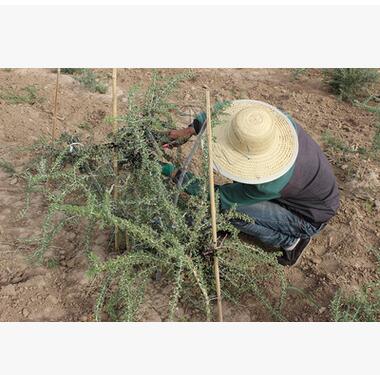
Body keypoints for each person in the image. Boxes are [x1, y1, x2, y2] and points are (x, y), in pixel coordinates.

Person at [164, 99, 339, 266]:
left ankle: (291, 241)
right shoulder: (271, 123)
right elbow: (224, 114)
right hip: (310, 192)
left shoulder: (268, 184)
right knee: (240, 187)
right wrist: (186, 132)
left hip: (308, 218)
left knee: (231, 212)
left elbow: (220, 198)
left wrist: (174, 174)